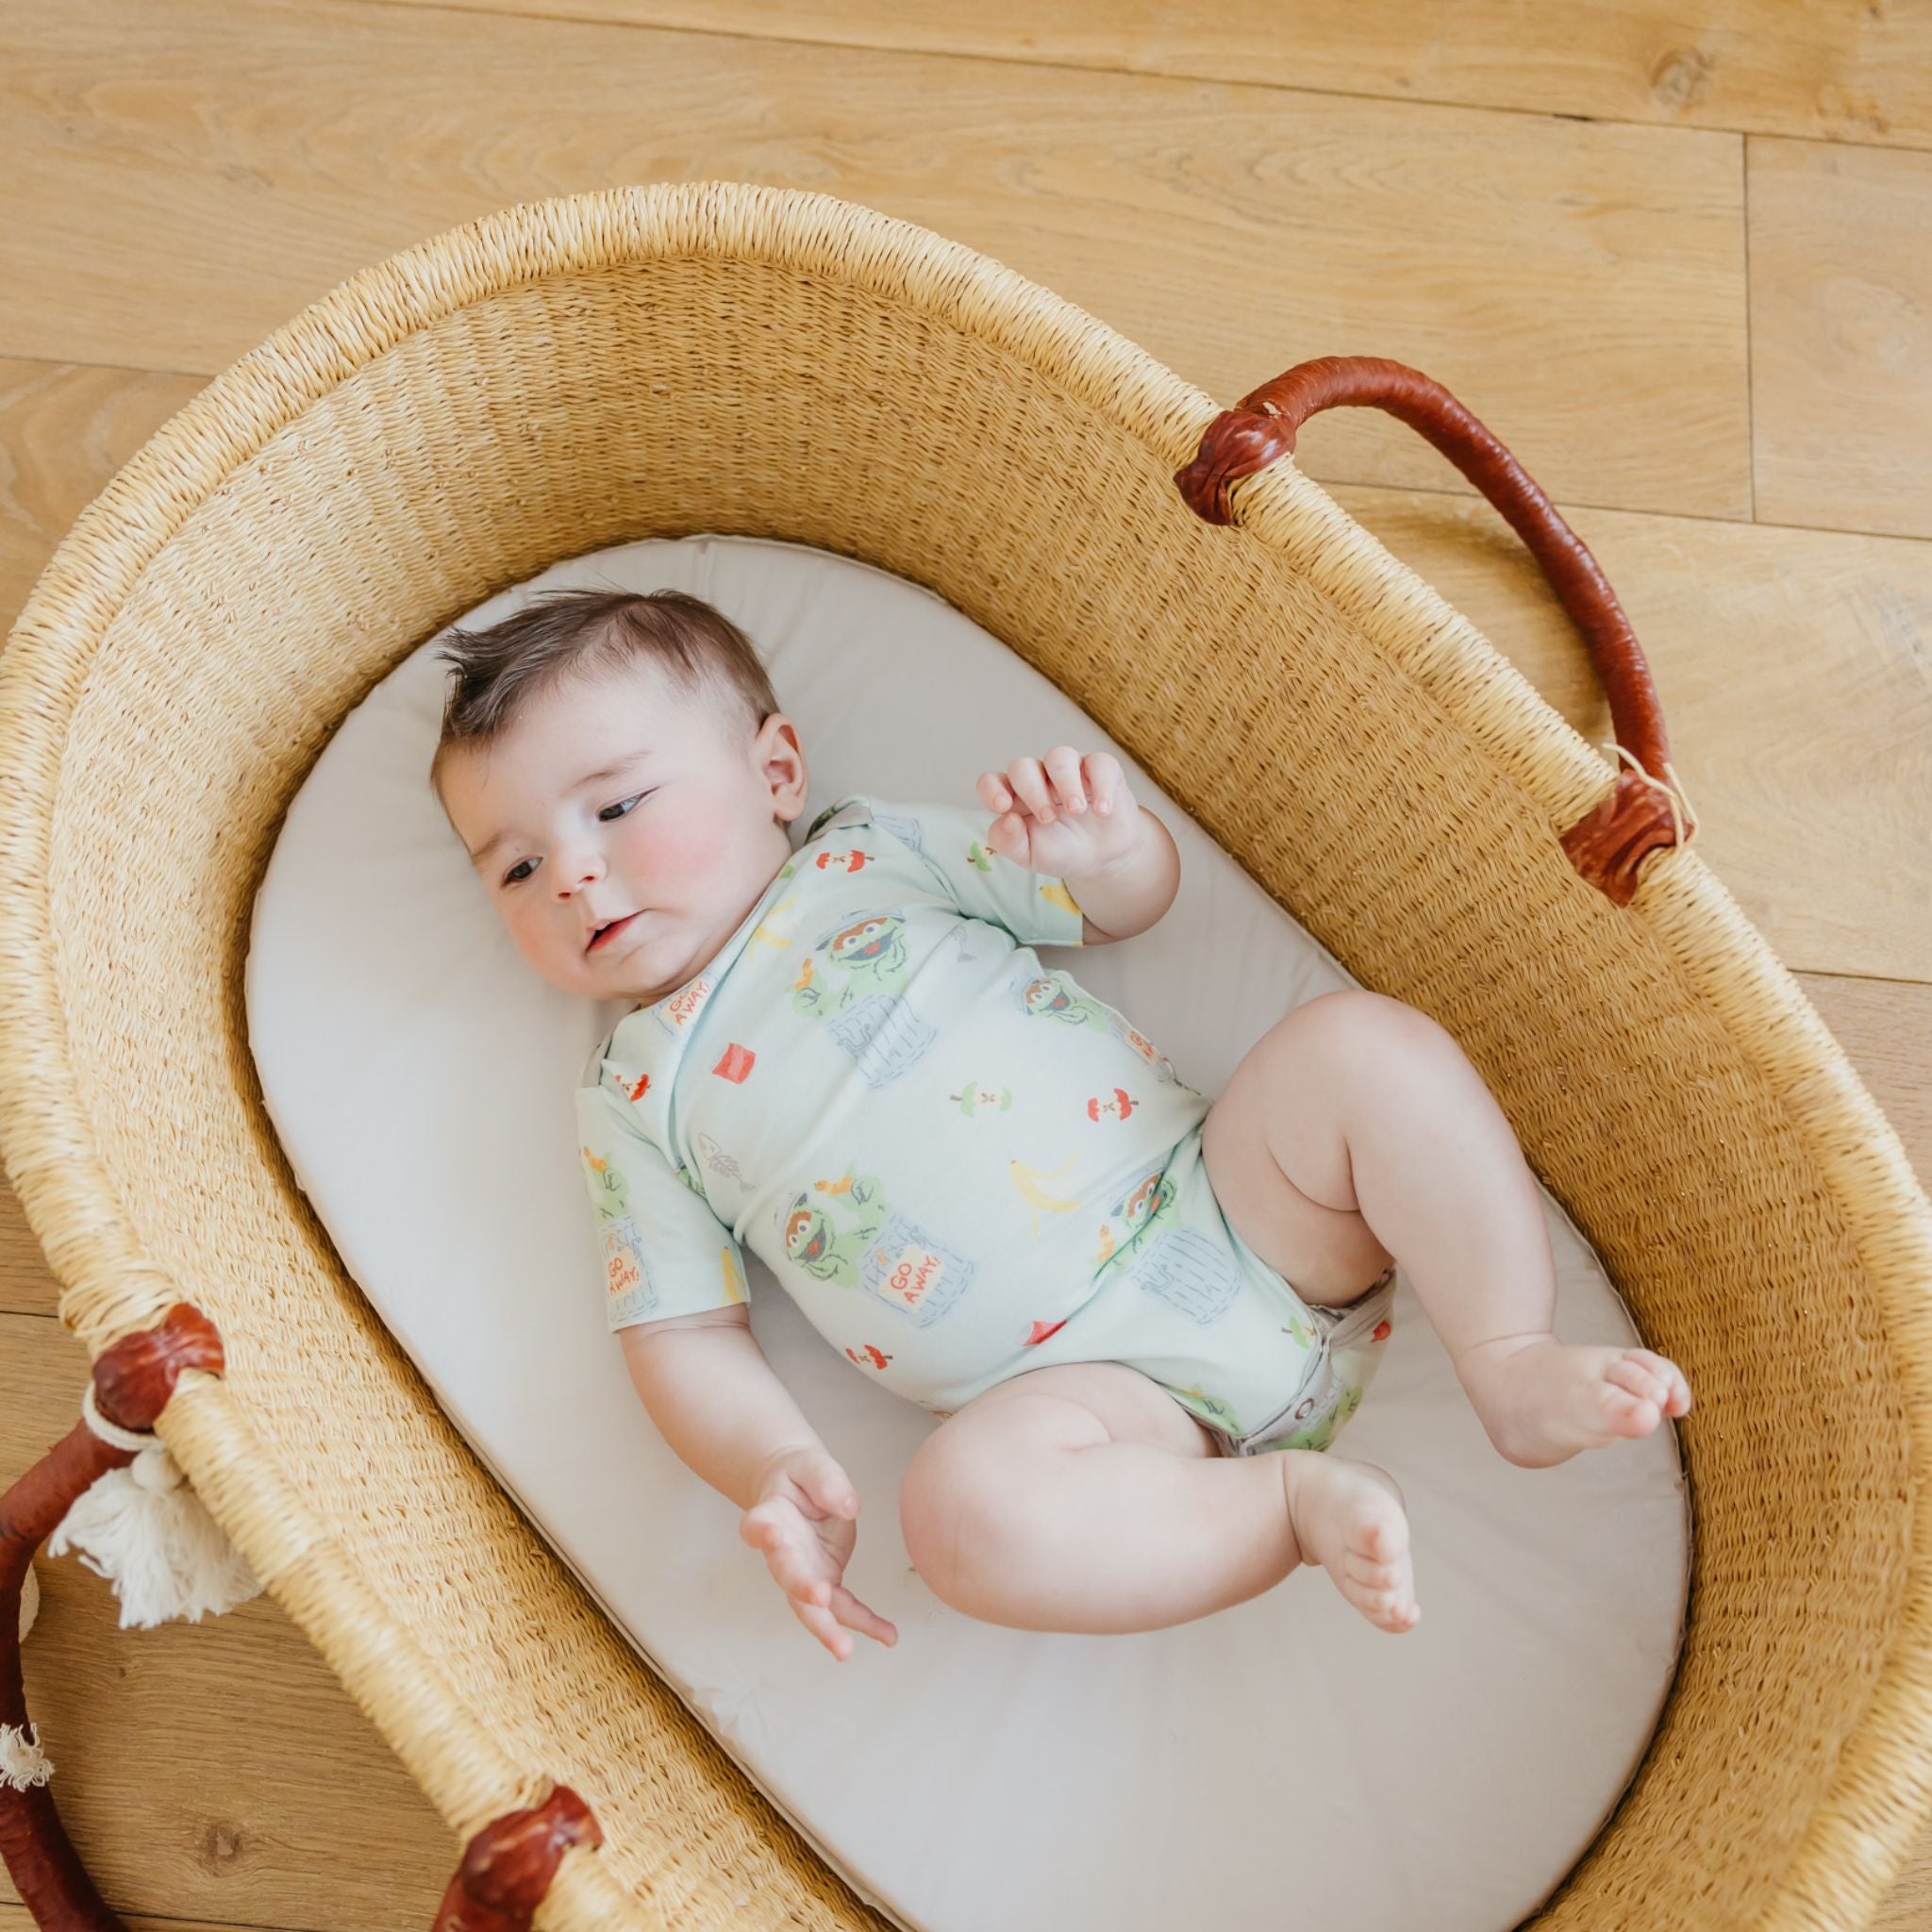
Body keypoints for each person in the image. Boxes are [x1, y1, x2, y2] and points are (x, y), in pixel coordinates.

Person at [431, 587, 1692, 1662]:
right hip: (1089, 1413)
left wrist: (1104, 849)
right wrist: (767, 1465)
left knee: (1362, 1047)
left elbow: (1118, 911)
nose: (575, 875)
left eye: (611, 808)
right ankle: (1281, 1510)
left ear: (775, 774)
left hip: (1241, 1208)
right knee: (957, 1518)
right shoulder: (633, 1095)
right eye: (517, 868)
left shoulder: (867, 860)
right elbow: (681, 1333)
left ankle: (1510, 1356)